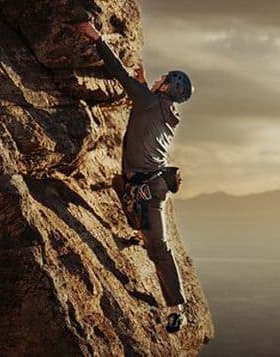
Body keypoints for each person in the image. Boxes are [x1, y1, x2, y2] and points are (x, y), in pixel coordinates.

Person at [75, 20, 193, 334]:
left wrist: (97, 38)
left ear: (166, 88)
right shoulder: (163, 107)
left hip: (147, 188)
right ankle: (139, 234)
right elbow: (145, 102)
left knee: (159, 249)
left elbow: (117, 71)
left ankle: (177, 309)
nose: (157, 78)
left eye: (162, 79)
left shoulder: (150, 100)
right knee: (121, 192)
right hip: (145, 182)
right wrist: (146, 88)